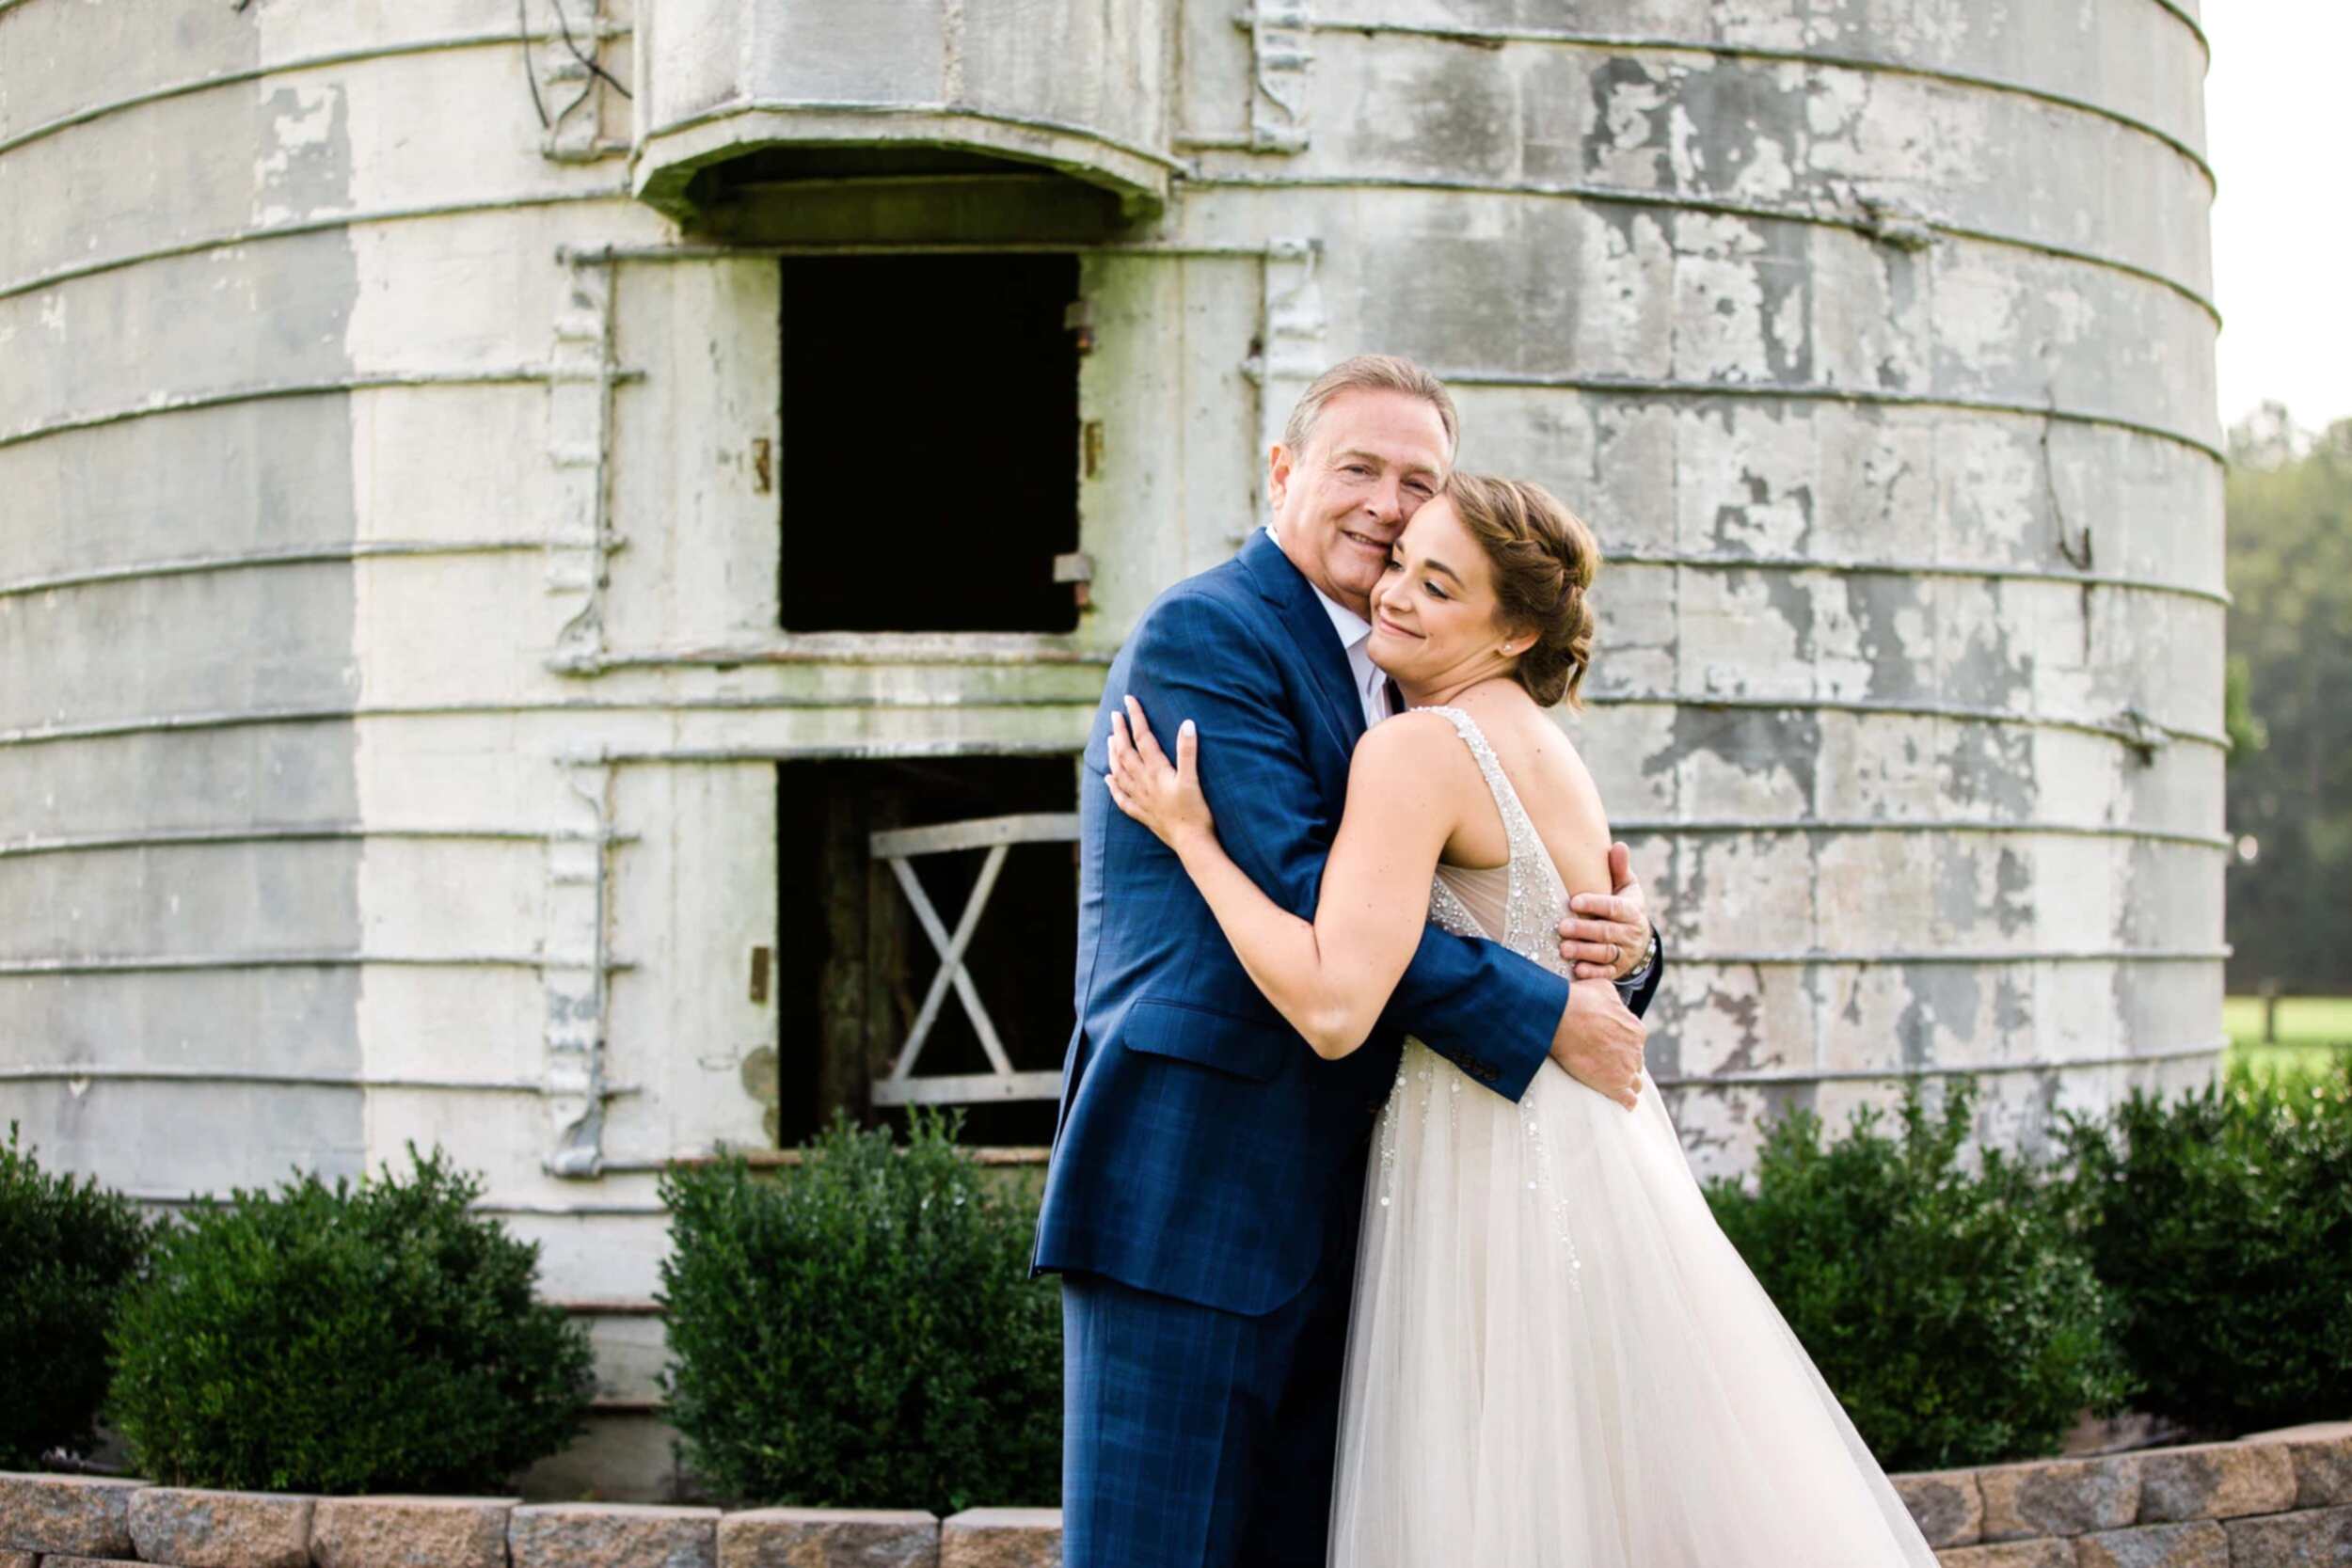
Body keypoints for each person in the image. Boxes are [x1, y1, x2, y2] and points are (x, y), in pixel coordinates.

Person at [1103, 470, 1944, 1565]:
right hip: (1597, 1148)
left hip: (1490, 1160)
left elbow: (1329, 1003)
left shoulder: (1414, 749)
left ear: (1510, 632)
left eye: (1436, 585)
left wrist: (1193, 840)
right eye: (1400, 564)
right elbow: (1582, 939)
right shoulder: (1547, 746)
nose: (1393, 595)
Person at [1030, 356, 1664, 1568]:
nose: (1384, 501)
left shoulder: (1419, 669)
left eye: (1414, 480)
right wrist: (1544, 1016)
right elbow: (1315, 898)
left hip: (1377, 1203)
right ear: (1284, 470)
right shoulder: (1208, 635)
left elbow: (1513, 873)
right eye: (1356, 467)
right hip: (1197, 1193)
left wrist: (1623, 949)